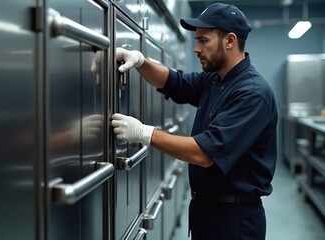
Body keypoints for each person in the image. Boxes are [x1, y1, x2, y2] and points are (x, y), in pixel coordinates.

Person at [111, 2, 277, 240]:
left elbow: (204, 153)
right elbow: (176, 83)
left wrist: (145, 134)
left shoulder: (252, 94)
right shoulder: (216, 79)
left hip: (234, 220)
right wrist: (140, 61)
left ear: (230, 41)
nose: (196, 49)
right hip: (206, 212)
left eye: (203, 41)